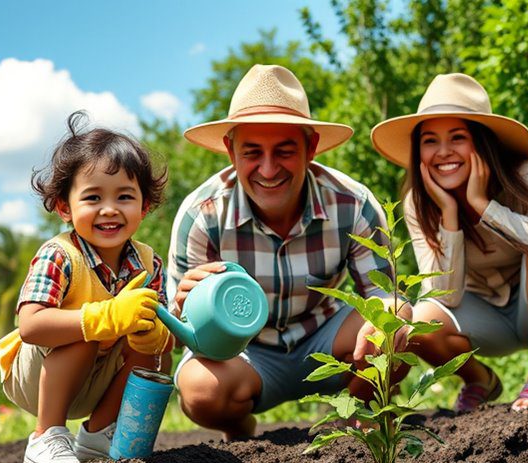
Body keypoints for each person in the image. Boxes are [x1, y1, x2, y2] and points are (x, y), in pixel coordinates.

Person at [169, 64, 408, 440]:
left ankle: (360, 414)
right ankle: (240, 428)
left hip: (327, 338)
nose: (268, 168)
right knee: (202, 390)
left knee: (394, 326)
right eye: (252, 152)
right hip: (246, 354)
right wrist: (186, 307)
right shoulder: (202, 216)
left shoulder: (352, 204)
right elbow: (181, 331)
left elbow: (385, 295)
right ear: (230, 150)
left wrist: (391, 317)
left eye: (284, 151)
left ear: (310, 148)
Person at [370, 73, 528, 412]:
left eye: (457, 137)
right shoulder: (419, 202)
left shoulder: (525, 175)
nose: (443, 152)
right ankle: (480, 380)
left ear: (480, 141)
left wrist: (483, 206)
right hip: (483, 315)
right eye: (430, 141)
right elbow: (445, 296)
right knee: (418, 323)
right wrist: (449, 215)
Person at [0, 111, 172, 463]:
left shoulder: (149, 264)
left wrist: (156, 334)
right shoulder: (59, 255)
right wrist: (102, 317)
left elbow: (166, 336)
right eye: (92, 198)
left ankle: (99, 435)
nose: (109, 209)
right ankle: (46, 437)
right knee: (89, 325)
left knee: (155, 351)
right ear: (64, 207)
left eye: (124, 196)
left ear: (145, 206)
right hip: (37, 378)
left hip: (99, 376)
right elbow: (30, 326)